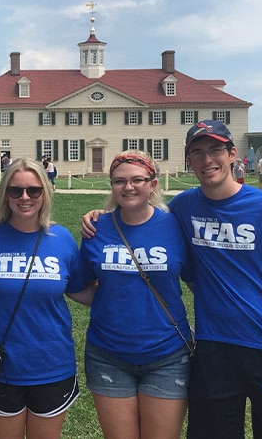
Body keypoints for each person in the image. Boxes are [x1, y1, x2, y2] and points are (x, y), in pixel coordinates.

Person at [82, 119, 262, 438]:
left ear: (233, 154)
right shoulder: (183, 208)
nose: (207, 160)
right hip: (214, 351)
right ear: (189, 161)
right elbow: (140, 220)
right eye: (197, 153)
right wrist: (98, 216)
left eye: (215, 150)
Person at [0, 158, 84, 439]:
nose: (24, 198)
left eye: (33, 190)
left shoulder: (61, 239)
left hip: (52, 365)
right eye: (15, 191)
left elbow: (79, 290)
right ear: (5, 193)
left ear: (45, 192)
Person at [74, 150, 191, 439]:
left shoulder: (177, 225)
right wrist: (112, 299)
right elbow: (79, 286)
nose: (128, 187)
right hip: (108, 353)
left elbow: (202, 280)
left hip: (167, 353)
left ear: (153, 184)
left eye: (138, 179)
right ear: (111, 186)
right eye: (119, 181)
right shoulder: (96, 228)